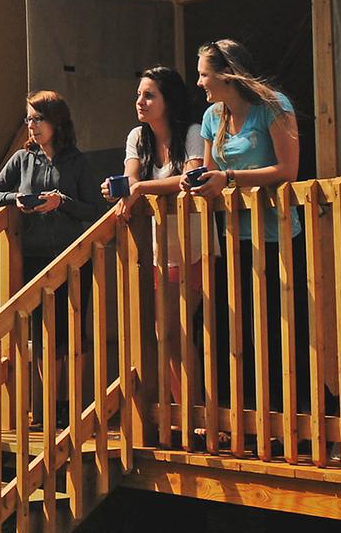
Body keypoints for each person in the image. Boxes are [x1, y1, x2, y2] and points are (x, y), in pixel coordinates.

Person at [187, 39, 310, 432]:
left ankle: (286, 420)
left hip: (277, 238)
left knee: (277, 327)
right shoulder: (212, 116)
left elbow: (288, 171)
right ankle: (235, 416)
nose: (200, 81)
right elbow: (210, 171)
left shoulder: (273, 105)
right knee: (225, 324)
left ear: (227, 74)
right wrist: (201, 182)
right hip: (233, 239)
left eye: (205, 73)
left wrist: (230, 178)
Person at [0, 90, 107, 429]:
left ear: (56, 121)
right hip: (35, 257)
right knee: (43, 336)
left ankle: (72, 405)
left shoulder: (76, 160)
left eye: (38, 119)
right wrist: (17, 199)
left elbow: (94, 209)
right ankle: (49, 407)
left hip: (72, 256)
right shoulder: (22, 160)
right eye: (29, 119)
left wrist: (62, 201)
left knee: (72, 334)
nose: (32, 126)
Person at [99, 66, 205, 417]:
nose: (140, 102)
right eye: (139, 95)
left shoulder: (191, 133)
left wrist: (140, 188)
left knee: (180, 330)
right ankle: (186, 409)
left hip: (193, 244)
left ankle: (199, 410)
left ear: (168, 100)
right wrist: (118, 190)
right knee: (165, 334)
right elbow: (130, 180)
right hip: (158, 249)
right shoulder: (137, 137)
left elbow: (188, 178)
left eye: (149, 95)